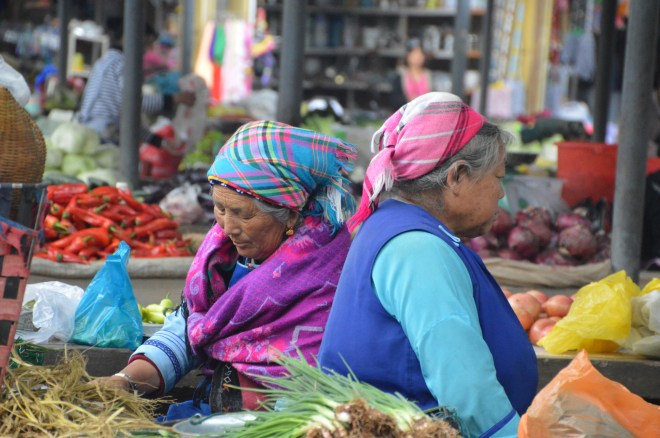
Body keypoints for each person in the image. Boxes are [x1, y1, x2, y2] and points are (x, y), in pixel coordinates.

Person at [95, 120, 357, 421]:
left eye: (242, 214)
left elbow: (316, 380)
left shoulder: (326, 272)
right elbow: (192, 326)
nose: (227, 227)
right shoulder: (222, 254)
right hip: (211, 416)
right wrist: (126, 381)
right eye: (220, 208)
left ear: (289, 215)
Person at [318, 92, 538, 437]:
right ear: (457, 176)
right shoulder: (417, 249)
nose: (500, 194)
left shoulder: (395, 225)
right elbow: (467, 389)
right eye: (498, 177)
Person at [77, 17, 194, 147]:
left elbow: (128, 115)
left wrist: (155, 140)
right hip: (103, 134)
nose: (146, 50)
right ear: (129, 38)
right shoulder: (122, 64)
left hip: (95, 130)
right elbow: (134, 103)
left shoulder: (107, 61)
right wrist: (173, 99)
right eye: (146, 43)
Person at [389, 39, 433, 109]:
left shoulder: (428, 75)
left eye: (420, 55)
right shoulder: (400, 75)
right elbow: (394, 100)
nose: (417, 58)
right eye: (414, 55)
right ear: (408, 56)